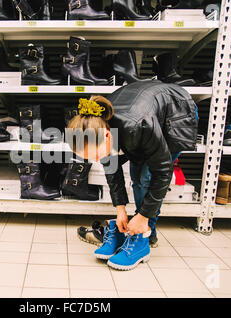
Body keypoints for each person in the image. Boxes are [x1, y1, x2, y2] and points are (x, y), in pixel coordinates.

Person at [66, 80, 199, 271]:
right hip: (144, 113)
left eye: (95, 154)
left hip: (177, 111)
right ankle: (134, 229)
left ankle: (144, 235)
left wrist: (143, 216)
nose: (97, 160)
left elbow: (163, 172)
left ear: (106, 136)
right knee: (136, 176)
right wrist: (120, 209)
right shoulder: (98, 128)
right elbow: (113, 171)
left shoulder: (139, 127)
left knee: (144, 177)